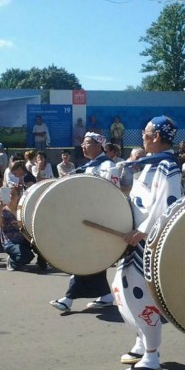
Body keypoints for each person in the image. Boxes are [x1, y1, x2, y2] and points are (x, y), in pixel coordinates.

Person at [112, 116, 183, 370]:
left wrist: (142, 232)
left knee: (141, 294)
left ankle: (152, 356)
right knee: (120, 289)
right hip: (134, 239)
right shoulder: (152, 163)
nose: (142, 135)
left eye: (146, 132)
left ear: (156, 137)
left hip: (147, 243)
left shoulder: (168, 166)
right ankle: (142, 340)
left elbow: (168, 204)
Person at [49, 132, 118, 313]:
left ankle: (68, 299)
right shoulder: (89, 166)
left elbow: (111, 195)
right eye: (83, 143)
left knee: (84, 259)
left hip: (100, 223)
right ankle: (105, 295)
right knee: (92, 261)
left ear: (98, 146)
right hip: (88, 221)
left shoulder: (108, 166)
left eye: (87, 143)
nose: (83, 146)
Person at [0, 187, 34, 271]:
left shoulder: (22, 209)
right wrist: (0, 208)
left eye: (12, 194)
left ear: (18, 196)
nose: (10, 196)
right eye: (8, 194)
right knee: (26, 255)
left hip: (24, 239)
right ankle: (12, 262)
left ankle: (42, 263)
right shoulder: (3, 210)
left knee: (37, 247)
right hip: (10, 242)